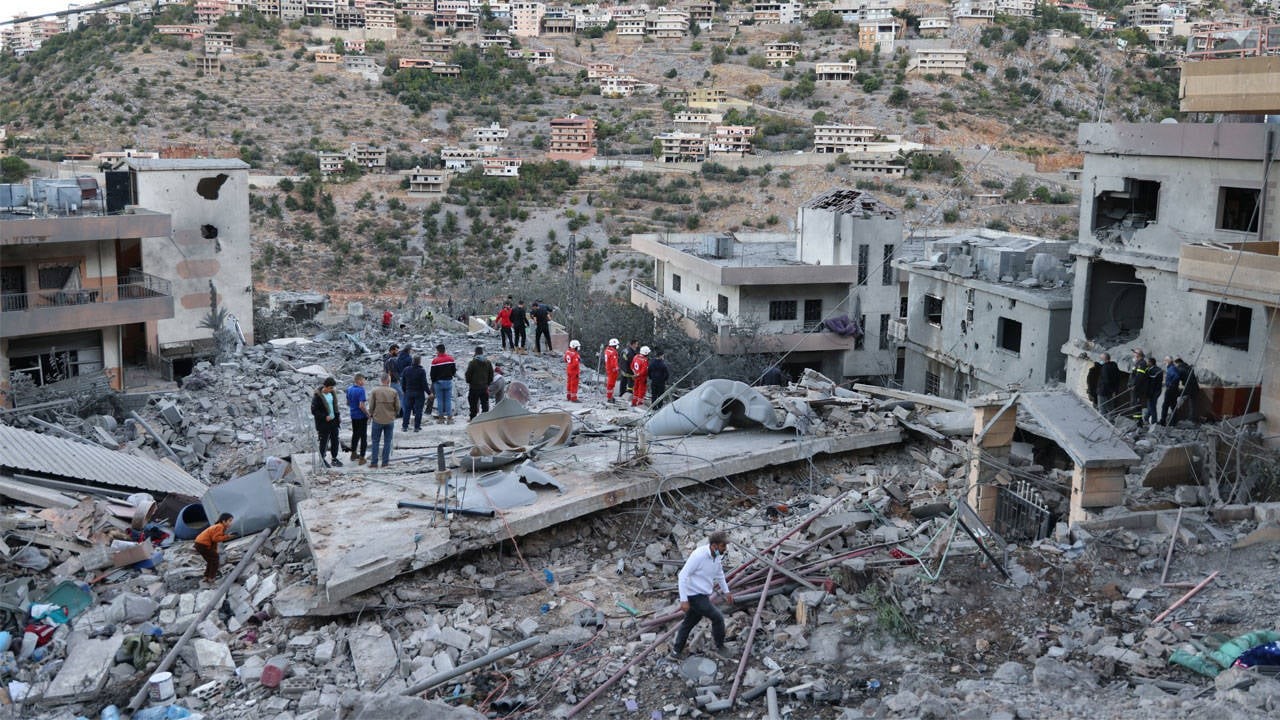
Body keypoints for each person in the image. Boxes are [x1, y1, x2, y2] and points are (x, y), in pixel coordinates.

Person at [672, 531, 734, 658]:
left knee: (689, 622)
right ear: (714, 546)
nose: (725, 548)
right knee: (718, 618)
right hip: (694, 595)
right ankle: (720, 647)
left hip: (703, 595)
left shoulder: (717, 556)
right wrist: (683, 600)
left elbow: (720, 574)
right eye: (723, 546)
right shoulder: (698, 556)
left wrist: (727, 591)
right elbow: (682, 575)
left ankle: (676, 651)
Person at [367, 373, 401, 468]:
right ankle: (385, 462)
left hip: (377, 419)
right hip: (389, 419)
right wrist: (395, 414)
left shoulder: (375, 391)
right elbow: (398, 406)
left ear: (381, 380)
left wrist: (371, 414)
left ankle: (374, 463)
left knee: (375, 441)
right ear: (388, 381)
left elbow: (371, 405)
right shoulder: (394, 391)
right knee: (387, 441)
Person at [194, 513, 236, 584]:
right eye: (229, 521)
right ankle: (211, 578)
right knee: (215, 560)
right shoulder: (220, 527)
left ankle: (206, 576)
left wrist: (215, 550)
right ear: (224, 521)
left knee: (211, 561)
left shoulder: (218, 526)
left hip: (199, 544)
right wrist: (227, 536)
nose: (231, 523)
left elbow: (214, 541)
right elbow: (215, 539)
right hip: (203, 544)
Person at [311, 377, 343, 467]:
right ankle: (322, 460)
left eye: (332, 388)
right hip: (323, 423)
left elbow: (335, 407)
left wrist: (338, 417)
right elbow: (314, 411)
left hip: (334, 421)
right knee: (324, 441)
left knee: (335, 440)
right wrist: (324, 417)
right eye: (330, 388)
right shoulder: (317, 397)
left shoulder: (332, 393)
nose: (332, 389)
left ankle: (334, 458)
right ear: (325, 386)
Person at [430, 343, 458, 423]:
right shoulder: (451, 359)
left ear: (438, 351)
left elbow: (432, 374)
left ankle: (441, 418)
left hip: (438, 383)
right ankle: (449, 418)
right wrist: (450, 376)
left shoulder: (435, 361)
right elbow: (454, 371)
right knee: (448, 400)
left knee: (440, 400)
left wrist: (434, 381)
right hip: (448, 381)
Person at [465, 346, 495, 419]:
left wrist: (469, 382)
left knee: (473, 403)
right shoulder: (488, 362)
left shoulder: (472, 362)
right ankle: (485, 418)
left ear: (475, 353)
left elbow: (468, 374)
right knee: (485, 403)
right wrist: (487, 383)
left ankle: (473, 418)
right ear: (482, 352)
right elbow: (491, 374)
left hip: (474, 387)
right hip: (484, 387)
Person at [401, 356, 429, 432]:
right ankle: (416, 427)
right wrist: (429, 393)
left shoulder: (406, 370)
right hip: (419, 393)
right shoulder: (421, 371)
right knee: (418, 410)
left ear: (412, 361)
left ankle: (404, 426)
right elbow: (424, 383)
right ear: (419, 361)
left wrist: (404, 391)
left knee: (407, 410)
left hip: (408, 392)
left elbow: (403, 382)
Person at [346, 374, 369, 465]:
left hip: (353, 415)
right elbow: (361, 405)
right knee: (363, 437)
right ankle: (362, 458)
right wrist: (367, 414)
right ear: (359, 381)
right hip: (361, 416)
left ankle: (353, 453)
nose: (364, 382)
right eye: (363, 380)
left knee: (355, 434)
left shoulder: (349, 389)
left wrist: (353, 407)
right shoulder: (361, 390)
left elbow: (348, 402)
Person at [1174, 357, 1199, 424]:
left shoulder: (1180, 369)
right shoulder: (1188, 367)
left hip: (1189, 388)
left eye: (1175, 364)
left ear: (1178, 363)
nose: (1175, 366)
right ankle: (1192, 419)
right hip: (1194, 387)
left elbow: (1176, 379)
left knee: (1174, 395)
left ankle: (1175, 416)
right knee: (1192, 404)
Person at [1160, 355, 1181, 426]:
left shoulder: (1171, 368)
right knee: (1173, 406)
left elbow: (1176, 377)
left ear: (1168, 361)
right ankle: (1174, 422)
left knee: (1165, 406)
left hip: (1170, 390)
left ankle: (1163, 421)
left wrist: (1170, 384)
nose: (1164, 362)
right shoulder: (1172, 368)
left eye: (1165, 360)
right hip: (1173, 390)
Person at [1142, 358, 1162, 425]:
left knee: (1152, 407)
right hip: (1156, 391)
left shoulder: (1153, 371)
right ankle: (1146, 418)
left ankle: (1154, 422)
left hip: (1153, 392)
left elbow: (1152, 384)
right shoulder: (1158, 369)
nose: (1147, 363)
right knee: (1151, 407)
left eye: (1148, 362)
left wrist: (1149, 393)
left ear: (1151, 363)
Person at [603, 338, 620, 403]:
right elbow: (614, 362)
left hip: (608, 369)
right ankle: (609, 397)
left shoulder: (607, 350)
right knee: (611, 384)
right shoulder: (613, 352)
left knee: (610, 383)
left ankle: (610, 396)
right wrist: (616, 368)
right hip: (612, 370)